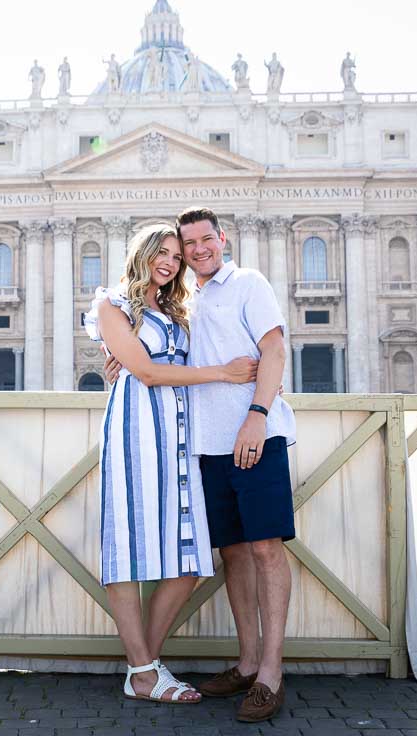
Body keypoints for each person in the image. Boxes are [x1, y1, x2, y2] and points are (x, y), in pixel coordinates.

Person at [105, 207, 295, 722]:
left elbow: (275, 351)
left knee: (265, 548)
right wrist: (124, 357)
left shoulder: (248, 283)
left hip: (254, 434)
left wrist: (258, 414)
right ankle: (245, 663)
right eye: (181, 247)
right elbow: (150, 362)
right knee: (232, 553)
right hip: (201, 446)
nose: (192, 252)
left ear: (222, 239)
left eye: (199, 241)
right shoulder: (183, 300)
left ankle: (270, 674)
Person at [86, 222, 258, 705]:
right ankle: (144, 673)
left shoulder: (175, 308)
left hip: (180, 435)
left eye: (176, 256)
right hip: (135, 432)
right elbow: (144, 371)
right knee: (129, 547)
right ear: (141, 253)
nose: (170, 261)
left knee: (189, 555)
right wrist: (222, 374)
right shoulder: (111, 306)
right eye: (161, 252)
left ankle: (144, 667)